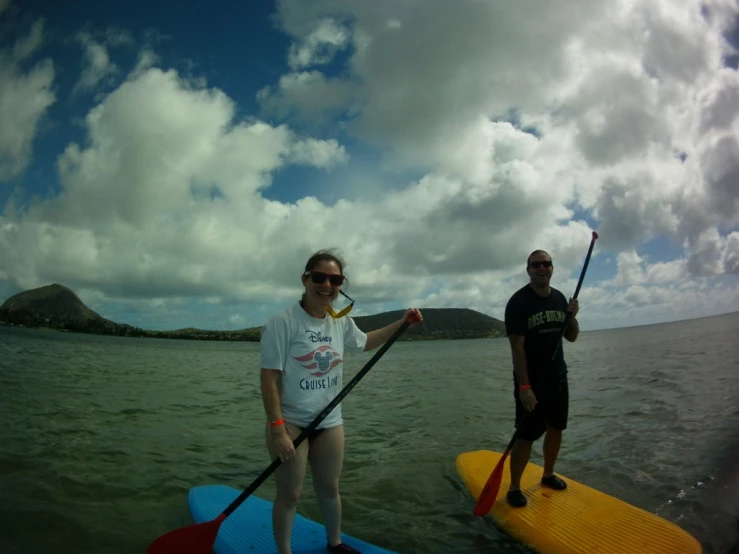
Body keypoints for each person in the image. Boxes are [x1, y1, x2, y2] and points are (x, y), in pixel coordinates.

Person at [259, 249, 423, 554]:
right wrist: (278, 428)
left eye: (335, 279)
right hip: (291, 423)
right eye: (319, 277)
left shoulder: (339, 322)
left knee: (330, 488)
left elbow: (365, 342)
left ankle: (334, 543)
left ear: (341, 284)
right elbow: (269, 379)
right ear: (305, 280)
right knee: (290, 495)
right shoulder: (282, 322)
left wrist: (402, 325)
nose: (326, 285)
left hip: (330, 422)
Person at [503, 249, 580, 508]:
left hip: (558, 377)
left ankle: (547, 474)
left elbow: (571, 337)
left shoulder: (559, 299)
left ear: (552, 268)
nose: (542, 268)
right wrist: (524, 386)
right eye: (536, 265)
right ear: (528, 270)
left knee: (556, 428)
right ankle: (514, 487)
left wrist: (572, 317)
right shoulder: (518, 303)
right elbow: (517, 347)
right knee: (526, 435)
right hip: (531, 382)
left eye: (546, 264)